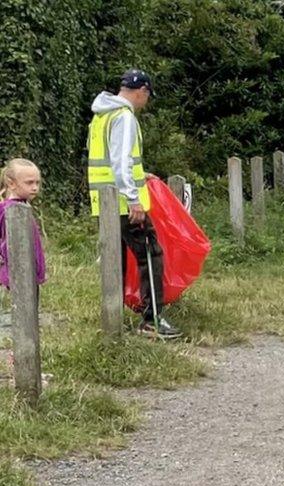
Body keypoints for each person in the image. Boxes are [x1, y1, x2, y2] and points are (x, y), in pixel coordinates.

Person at [88, 69, 181, 339]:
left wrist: (142, 175)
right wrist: (134, 199)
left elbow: (109, 159)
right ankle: (152, 321)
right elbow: (120, 162)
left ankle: (111, 317)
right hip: (123, 202)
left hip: (104, 202)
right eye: (148, 96)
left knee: (114, 259)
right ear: (142, 91)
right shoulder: (124, 117)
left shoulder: (102, 114)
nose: (146, 102)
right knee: (150, 253)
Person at [0, 159, 46, 289]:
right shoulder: (9, 210)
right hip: (18, 273)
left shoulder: (23, 207)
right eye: (29, 183)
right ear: (11, 183)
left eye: (37, 182)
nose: (35, 187)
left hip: (29, 273)